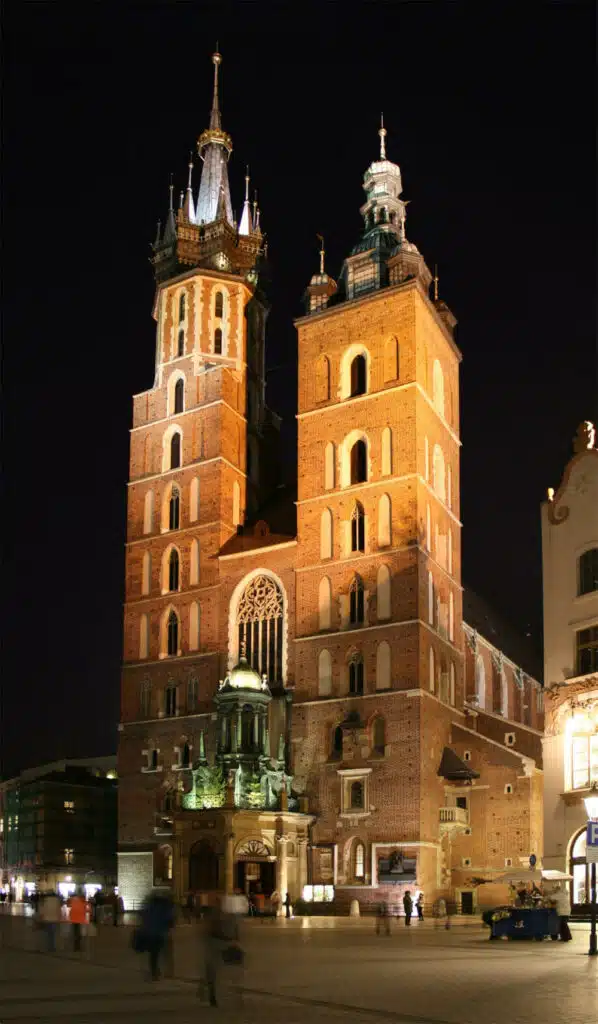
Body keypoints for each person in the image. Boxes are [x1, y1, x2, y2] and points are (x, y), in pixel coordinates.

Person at [199, 895, 243, 1008]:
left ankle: (212, 991)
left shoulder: (224, 916)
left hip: (220, 944)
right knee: (213, 970)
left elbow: (234, 930)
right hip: (216, 944)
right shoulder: (218, 916)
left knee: (217, 970)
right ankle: (211, 993)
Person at [139, 889, 175, 980]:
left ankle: (154, 971)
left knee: (153, 954)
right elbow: (169, 920)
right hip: (161, 933)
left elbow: (143, 917)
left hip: (150, 933)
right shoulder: (165, 907)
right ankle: (167, 972)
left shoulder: (149, 906)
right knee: (164, 952)